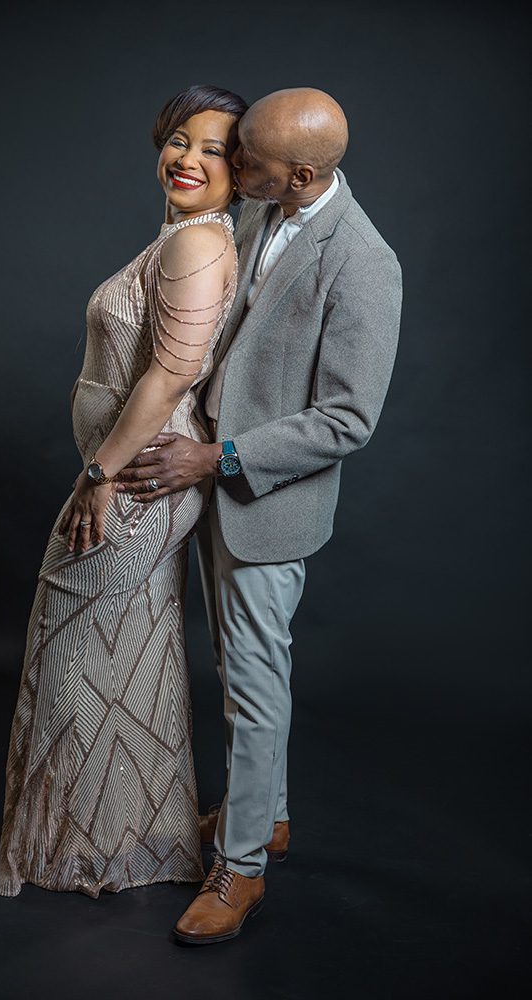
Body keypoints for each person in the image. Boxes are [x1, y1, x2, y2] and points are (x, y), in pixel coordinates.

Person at [115, 87, 403, 943]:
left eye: (250, 162)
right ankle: (266, 816)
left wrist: (217, 458)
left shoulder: (365, 262)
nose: (232, 167)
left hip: (265, 502)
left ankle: (240, 869)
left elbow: (346, 420)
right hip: (208, 486)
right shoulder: (258, 208)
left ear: (301, 176)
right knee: (240, 674)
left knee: (251, 686)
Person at [0, 84, 247, 899]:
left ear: (240, 170)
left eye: (213, 149)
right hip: (136, 475)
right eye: (179, 139)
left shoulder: (196, 244)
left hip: (137, 482)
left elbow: (170, 374)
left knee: (74, 657)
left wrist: (98, 476)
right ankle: (120, 834)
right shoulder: (186, 235)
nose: (188, 159)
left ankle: (87, 843)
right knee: (123, 656)